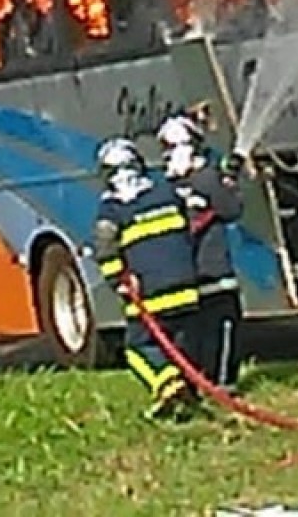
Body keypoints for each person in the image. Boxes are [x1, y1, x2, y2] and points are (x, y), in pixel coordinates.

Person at [91, 136, 200, 420]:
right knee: (179, 345)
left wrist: (119, 283)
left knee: (137, 348)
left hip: (149, 292)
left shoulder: (112, 208)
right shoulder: (166, 191)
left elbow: (105, 250)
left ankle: (167, 385)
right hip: (187, 286)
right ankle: (188, 395)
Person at [158, 113, 245, 394]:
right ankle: (223, 383)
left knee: (194, 333)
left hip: (185, 274)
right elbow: (232, 210)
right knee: (224, 327)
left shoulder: (167, 188)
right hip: (215, 272)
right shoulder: (207, 179)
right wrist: (229, 183)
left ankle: (195, 382)